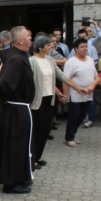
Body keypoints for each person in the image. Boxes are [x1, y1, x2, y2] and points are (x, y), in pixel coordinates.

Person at [29, 36, 87, 168]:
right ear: (40, 47)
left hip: (49, 98)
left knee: (45, 129)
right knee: (37, 130)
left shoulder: (49, 60)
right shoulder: (31, 61)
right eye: (48, 45)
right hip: (38, 100)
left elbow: (60, 76)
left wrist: (75, 88)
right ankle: (32, 159)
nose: (51, 47)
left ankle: (38, 156)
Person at [0, 26, 35, 194]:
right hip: (14, 110)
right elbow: (5, 85)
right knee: (14, 145)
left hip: (18, 107)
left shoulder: (18, 57)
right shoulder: (16, 60)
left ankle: (20, 176)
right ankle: (11, 183)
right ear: (20, 40)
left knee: (20, 145)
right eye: (28, 36)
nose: (31, 39)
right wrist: (15, 100)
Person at [62, 39, 98, 147]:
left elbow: (96, 75)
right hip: (75, 93)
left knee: (82, 115)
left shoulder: (90, 60)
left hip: (87, 93)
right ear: (75, 49)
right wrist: (65, 95)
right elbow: (65, 79)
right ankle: (69, 137)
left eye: (86, 46)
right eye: (82, 47)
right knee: (74, 115)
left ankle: (73, 133)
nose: (85, 49)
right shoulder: (71, 62)